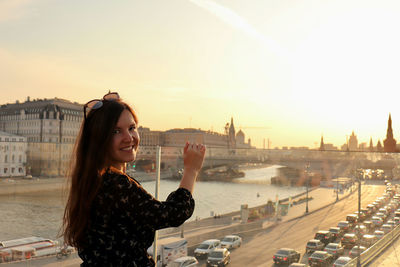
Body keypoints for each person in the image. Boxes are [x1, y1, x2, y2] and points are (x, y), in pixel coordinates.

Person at [62, 92, 206, 266]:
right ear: (99, 139)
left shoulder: (91, 180)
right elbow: (174, 213)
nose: (129, 138)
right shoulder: (115, 184)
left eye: (131, 128)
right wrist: (191, 170)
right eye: (116, 131)